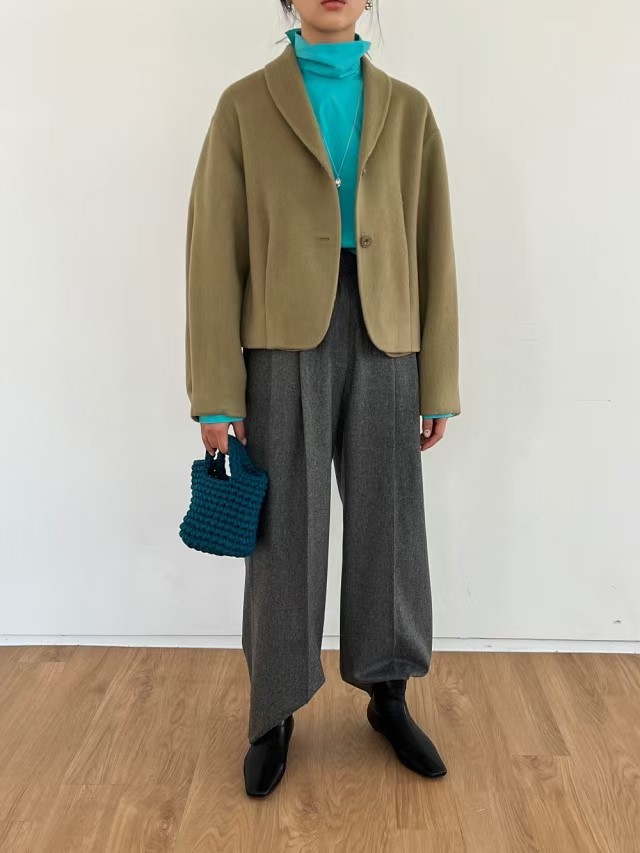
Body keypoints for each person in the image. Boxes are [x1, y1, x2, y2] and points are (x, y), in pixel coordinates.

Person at [185, 0, 460, 797]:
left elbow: (434, 245)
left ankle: (388, 691)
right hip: (281, 337)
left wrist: (438, 378)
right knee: (286, 529)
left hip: (387, 333)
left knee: (389, 522)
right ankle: (273, 710)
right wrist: (216, 393)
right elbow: (213, 251)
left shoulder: (410, 111)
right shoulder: (244, 106)